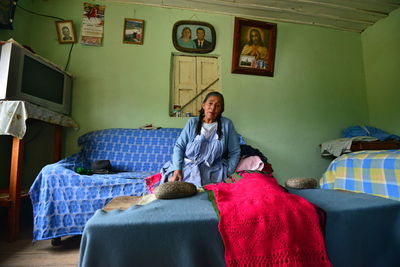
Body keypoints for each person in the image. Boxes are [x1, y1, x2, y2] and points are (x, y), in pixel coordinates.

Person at [160, 92, 241, 187]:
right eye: (210, 103)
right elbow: (179, 147)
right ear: (203, 105)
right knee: (173, 189)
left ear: (221, 110)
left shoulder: (227, 124)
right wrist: (177, 170)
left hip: (214, 171)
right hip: (187, 167)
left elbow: (235, 152)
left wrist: (228, 172)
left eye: (218, 106)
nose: (213, 108)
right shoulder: (192, 122)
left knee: (214, 192)